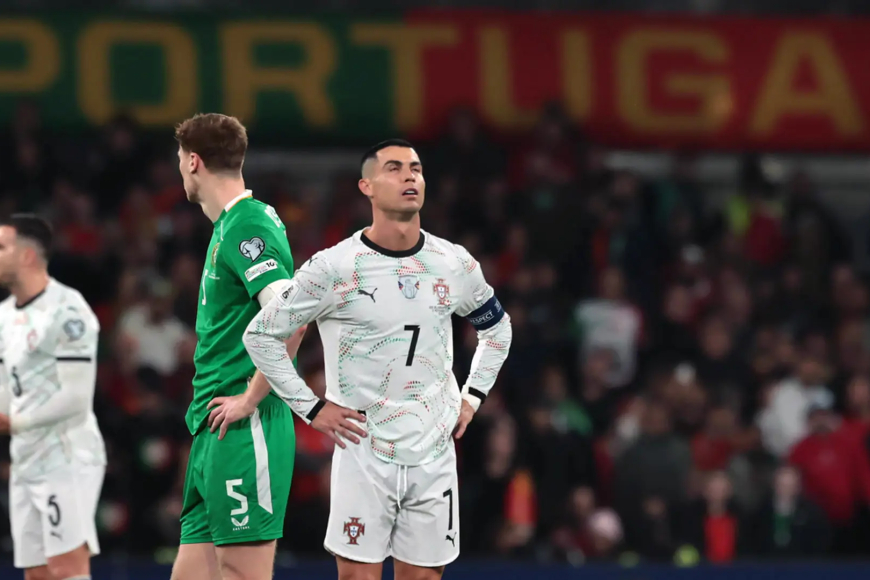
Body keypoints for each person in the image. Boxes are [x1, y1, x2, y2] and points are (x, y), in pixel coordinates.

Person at [215, 139, 513, 580]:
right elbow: (260, 335)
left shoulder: (454, 263)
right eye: (394, 168)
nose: (410, 176)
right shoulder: (334, 267)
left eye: (416, 167)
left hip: (433, 450)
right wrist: (311, 408)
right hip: (363, 452)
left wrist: (472, 397)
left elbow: (497, 328)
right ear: (366, 186)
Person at [170, 113, 305, 580]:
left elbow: (293, 318)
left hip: (247, 426)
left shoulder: (247, 226)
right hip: (213, 427)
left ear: (192, 162)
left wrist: (251, 397)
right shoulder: (230, 226)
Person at [0, 214, 105, 580]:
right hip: (26, 460)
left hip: (67, 456)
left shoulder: (67, 310)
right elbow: (5, 385)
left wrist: (15, 421)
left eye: (1, 247)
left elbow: (76, 398)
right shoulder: (3, 316)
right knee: (37, 572)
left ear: (28, 256)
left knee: (66, 567)